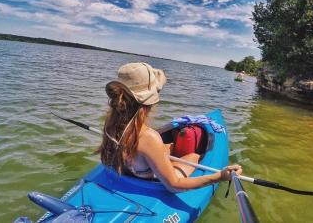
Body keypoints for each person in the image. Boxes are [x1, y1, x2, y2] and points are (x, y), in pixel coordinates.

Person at [97, 62, 242, 192]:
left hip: (131, 170)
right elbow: (174, 185)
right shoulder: (148, 136)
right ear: (150, 101)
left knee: (168, 146)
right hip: (147, 177)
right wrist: (219, 177)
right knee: (193, 155)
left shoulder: (111, 122)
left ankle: (167, 151)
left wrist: (163, 149)